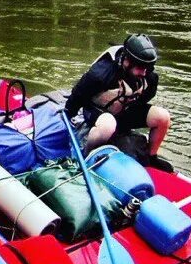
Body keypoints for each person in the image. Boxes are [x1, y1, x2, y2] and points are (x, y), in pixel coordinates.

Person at [64, 34, 173, 171]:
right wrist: (67, 117)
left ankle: (151, 157)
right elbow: (77, 97)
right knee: (108, 125)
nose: (144, 73)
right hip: (98, 112)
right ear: (127, 61)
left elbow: (146, 98)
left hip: (124, 112)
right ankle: (87, 157)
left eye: (147, 68)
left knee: (163, 117)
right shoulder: (100, 74)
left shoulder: (148, 76)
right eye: (141, 68)